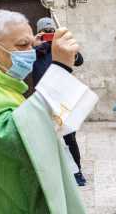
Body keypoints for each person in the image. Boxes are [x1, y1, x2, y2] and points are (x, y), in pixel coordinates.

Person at [0, 10, 97, 214]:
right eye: (22, 45)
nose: (31, 52)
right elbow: (15, 139)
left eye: (32, 45)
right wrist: (60, 68)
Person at [33, 17, 86, 186]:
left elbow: (79, 60)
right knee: (46, 139)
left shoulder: (61, 47)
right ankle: (52, 174)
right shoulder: (33, 49)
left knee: (69, 138)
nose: (49, 35)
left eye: (51, 31)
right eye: (45, 32)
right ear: (39, 32)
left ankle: (77, 173)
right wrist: (34, 46)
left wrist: (67, 45)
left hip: (63, 99)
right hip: (43, 100)